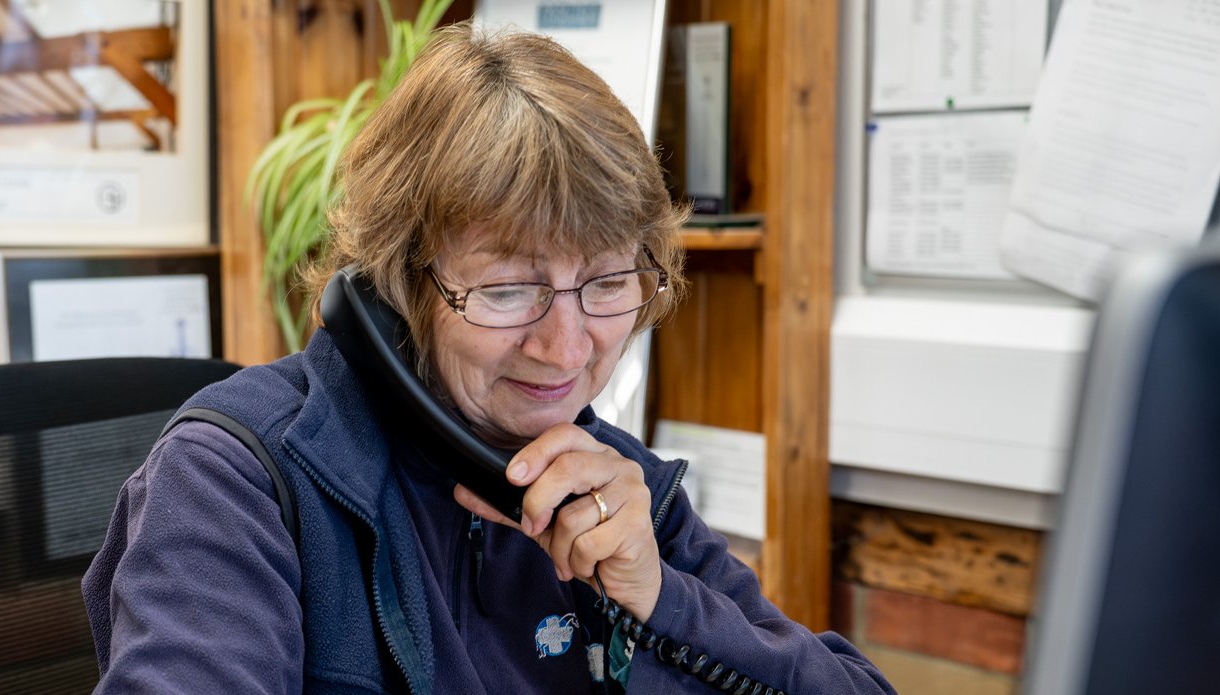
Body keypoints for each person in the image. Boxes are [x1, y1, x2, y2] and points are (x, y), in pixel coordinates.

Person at [83, 23, 894, 695]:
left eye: (608, 282)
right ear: (400, 282)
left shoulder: (613, 490)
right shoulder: (233, 482)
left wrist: (662, 599)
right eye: (510, 289)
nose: (569, 349)